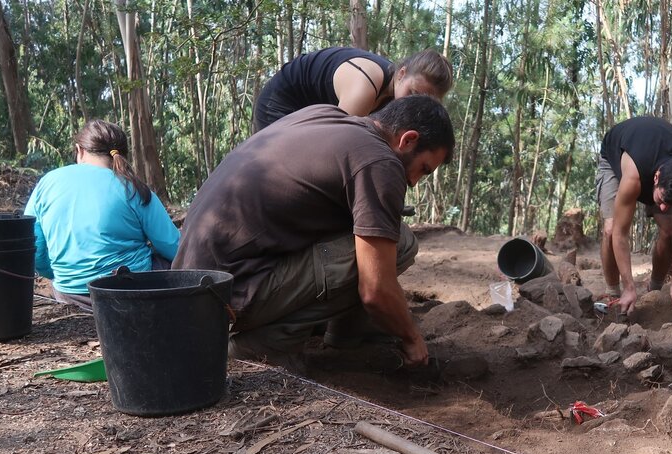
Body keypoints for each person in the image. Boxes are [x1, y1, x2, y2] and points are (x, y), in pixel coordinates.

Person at [173, 95, 455, 369]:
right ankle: (266, 343)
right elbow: (375, 290)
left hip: (193, 285)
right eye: (423, 169)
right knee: (402, 242)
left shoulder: (324, 116)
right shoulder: (380, 162)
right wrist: (411, 338)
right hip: (230, 294)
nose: (414, 182)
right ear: (408, 140)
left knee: (369, 231)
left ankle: (349, 332)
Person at [23, 119, 180, 311]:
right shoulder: (134, 188)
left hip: (68, 293)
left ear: (79, 150)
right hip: (128, 290)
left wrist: (57, 274)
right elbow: (174, 247)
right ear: (121, 155)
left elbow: (34, 247)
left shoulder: (47, 182)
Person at [597, 116, 672, 315]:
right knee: (611, 229)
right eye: (663, 201)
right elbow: (620, 234)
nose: (664, 208)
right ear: (656, 178)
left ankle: (655, 289)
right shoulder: (632, 175)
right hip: (616, 157)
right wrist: (629, 287)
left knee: (671, 230)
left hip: (657, 164)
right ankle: (612, 292)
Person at [253, 47, 453, 132]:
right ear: (401, 74)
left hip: (310, 116)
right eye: (413, 93)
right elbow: (338, 141)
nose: (415, 103)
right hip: (281, 104)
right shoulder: (365, 84)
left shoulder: (394, 98)